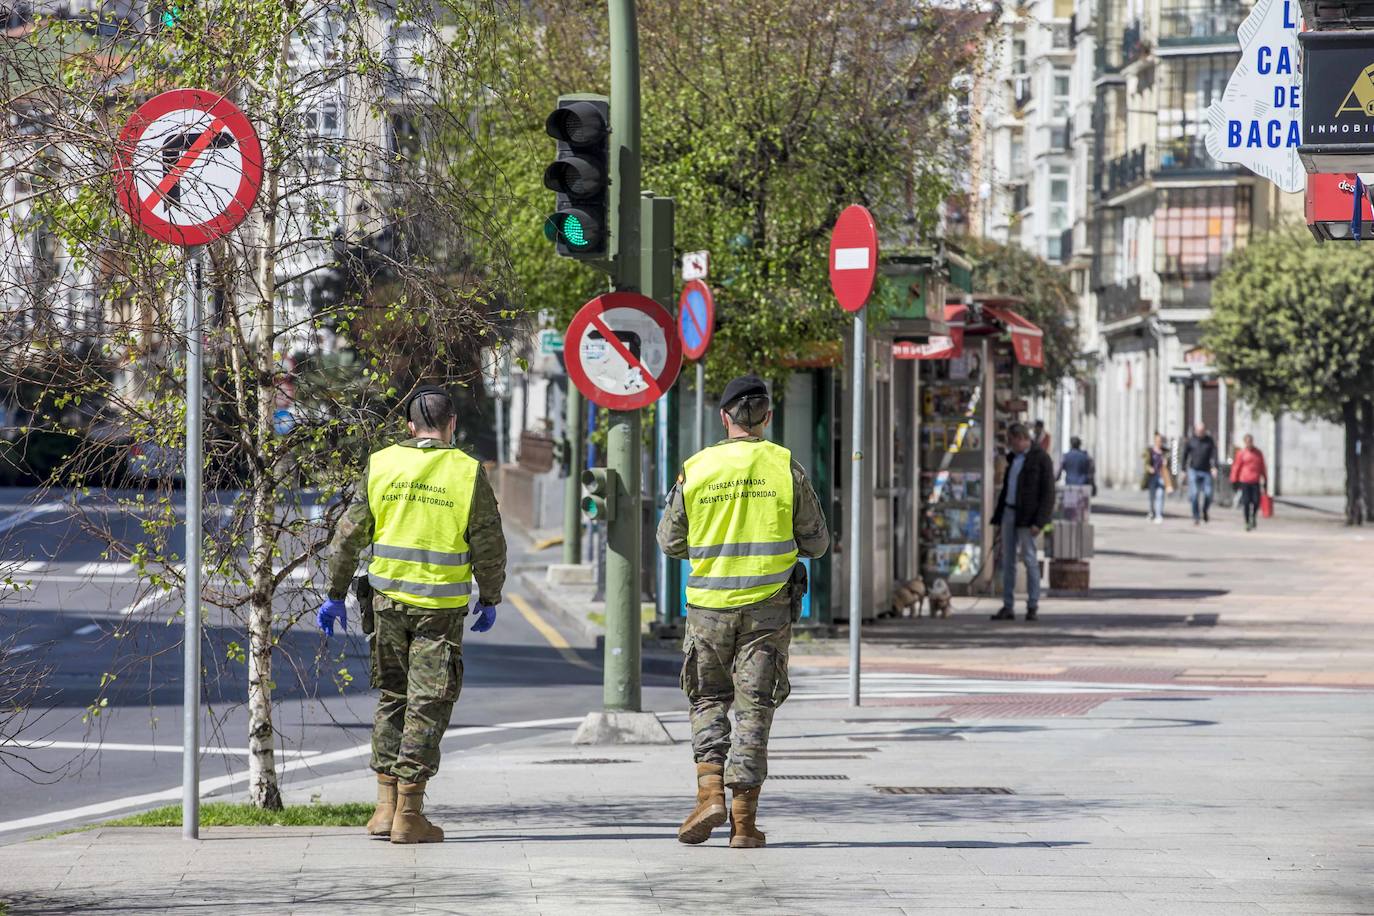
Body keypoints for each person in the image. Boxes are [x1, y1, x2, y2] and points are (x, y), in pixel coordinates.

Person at [318, 386, 507, 844]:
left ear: (408, 426)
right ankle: (409, 812)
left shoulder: (382, 464)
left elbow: (348, 536)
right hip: (438, 611)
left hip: (384, 605)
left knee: (392, 698)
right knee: (428, 704)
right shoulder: (465, 472)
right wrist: (490, 595)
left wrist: (335, 592)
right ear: (452, 425)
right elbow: (488, 541)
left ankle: (383, 808)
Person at [657, 374, 830, 849]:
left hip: (707, 608)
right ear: (767, 418)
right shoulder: (784, 467)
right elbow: (817, 541)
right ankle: (744, 824)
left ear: (724, 417)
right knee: (755, 710)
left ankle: (708, 791)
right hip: (767, 610)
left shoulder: (696, 468)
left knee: (708, 700)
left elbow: (669, 542)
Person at [991, 422, 1056, 622]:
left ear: (1021, 439)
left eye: (1012, 442)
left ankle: (1032, 605)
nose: (1010, 446)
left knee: (1029, 560)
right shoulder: (1013, 459)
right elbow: (1008, 489)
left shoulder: (1041, 459)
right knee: (1008, 560)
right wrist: (999, 516)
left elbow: (1048, 493)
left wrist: (1040, 521)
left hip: (1028, 518)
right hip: (1010, 513)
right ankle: (1008, 606)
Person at [1182, 422, 1219, 526]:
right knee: (1194, 494)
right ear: (1195, 431)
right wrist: (1183, 470)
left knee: (1208, 494)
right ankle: (1196, 516)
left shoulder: (1209, 441)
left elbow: (1214, 454)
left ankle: (1205, 510)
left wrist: (1214, 467)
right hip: (1193, 470)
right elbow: (1185, 455)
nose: (1200, 433)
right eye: (1198, 431)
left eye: (1202, 431)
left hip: (1206, 471)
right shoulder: (1191, 440)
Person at [1230, 434, 1268, 531]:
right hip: (1245, 480)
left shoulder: (1258, 453)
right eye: (1247, 441)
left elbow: (1262, 466)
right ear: (1245, 442)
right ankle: (1247, 521)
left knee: (1256, 501)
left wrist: (1265, 478)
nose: (1249, 443)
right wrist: (1234, 480)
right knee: (1246, 502)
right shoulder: (1241, 453)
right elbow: (1236, 467)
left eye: (1250, 441)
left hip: (1255, 480)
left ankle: (1253, 517)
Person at [1144, 432, 1171, 523]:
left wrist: (1167, 462)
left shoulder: (1166, 452)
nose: (1159, 442)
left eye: (1160, 441)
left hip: (1162, 476)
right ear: (1155, 441)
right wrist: (1149, 468)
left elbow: (1173, 465)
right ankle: (1151, 511)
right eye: (1157, 441)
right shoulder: (1150, 451)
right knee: (1152, 496)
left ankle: (1159, 515)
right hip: (1152, 476)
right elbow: (1146, 463)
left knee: (1160, 495)